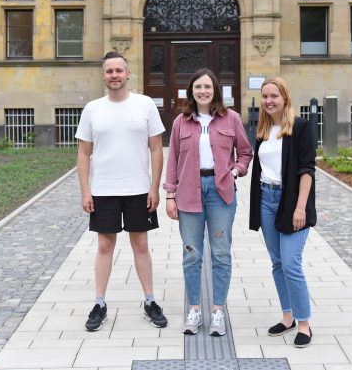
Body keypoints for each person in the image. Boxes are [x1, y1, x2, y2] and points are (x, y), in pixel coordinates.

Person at [75, 51, 168, 332]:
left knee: (140, 245)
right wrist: (85, 191)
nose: (114, 75)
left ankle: (150, 301)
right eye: (109, 71)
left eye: (119, 70)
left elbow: (156, 148)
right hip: (104, 189)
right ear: (103, 75)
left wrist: (154, 187)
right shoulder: (92, 108)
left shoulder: (145, 105)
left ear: (128, 74)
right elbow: (83, 154)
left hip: (138, 188)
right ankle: (100, 303)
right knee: (105, 246)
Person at [163, 69, 252, 336]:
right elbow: (173, 160)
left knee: (220, 252)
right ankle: (193, 310)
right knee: (192, 254)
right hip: (188, 192)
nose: (203, 91)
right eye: (198, 87)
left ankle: (217, 311)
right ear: (191, 91)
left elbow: (246, 152)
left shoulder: (231, 118)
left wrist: (235, 171)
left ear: (215, 90)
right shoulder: (181, 121)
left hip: (220, 192)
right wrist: (169, 194)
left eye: (208, 87)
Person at [248, 77, 317, 348]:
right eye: (265, 96)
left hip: (292, 203)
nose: (268, 101)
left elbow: (306, 171)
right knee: (277, 262)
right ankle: (287, 316)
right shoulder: (263, 130)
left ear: (285, 97)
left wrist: (300, 208)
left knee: (291, 263)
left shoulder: (300, 127)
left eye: (274, 96)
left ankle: (304, 323)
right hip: (266, 199)